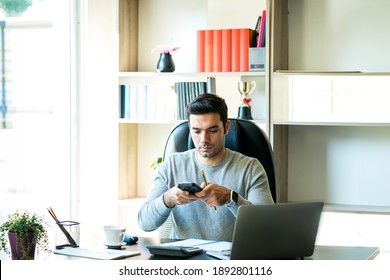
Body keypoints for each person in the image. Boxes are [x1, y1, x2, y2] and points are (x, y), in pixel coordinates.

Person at [138, 93, 274, 241]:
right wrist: (168, 198)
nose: (204, 139)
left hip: (230, 259)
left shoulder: (250, 168)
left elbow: (267, 228)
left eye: (212, 130)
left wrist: (231, 198)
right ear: (190, 128)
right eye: (197, 131)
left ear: (226, 127)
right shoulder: (172, 165)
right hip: (184, 259)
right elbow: (144, 223)